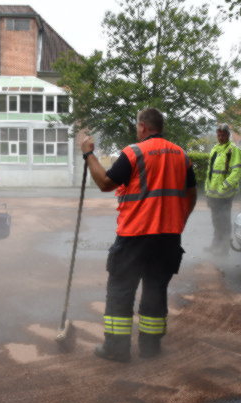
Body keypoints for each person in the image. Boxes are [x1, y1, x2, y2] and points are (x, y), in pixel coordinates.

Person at [81, 108, 197, 362]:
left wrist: (89, 154)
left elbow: (104, 183)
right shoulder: (181, 155)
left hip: (136, 236)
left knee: (121, 289)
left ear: (143, 126)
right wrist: (180, 221)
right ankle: (150, 348)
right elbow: (191, 193)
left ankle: (116, 349)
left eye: (137, 126)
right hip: (168, 237)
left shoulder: (134, 153)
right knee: (155, 289)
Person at [204, 123, 241, 256]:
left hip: (224, 195)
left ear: (228, 135)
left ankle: (224, 249)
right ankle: (215, 245)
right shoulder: (215, 148)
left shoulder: (233, 150)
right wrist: (207, 189)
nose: (220, 137)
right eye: (218, 134)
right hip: (213, 195)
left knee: (224, 222)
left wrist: (223, 187)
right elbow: (211, 172)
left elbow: (236, 172)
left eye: (223, 134)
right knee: (216, 222)